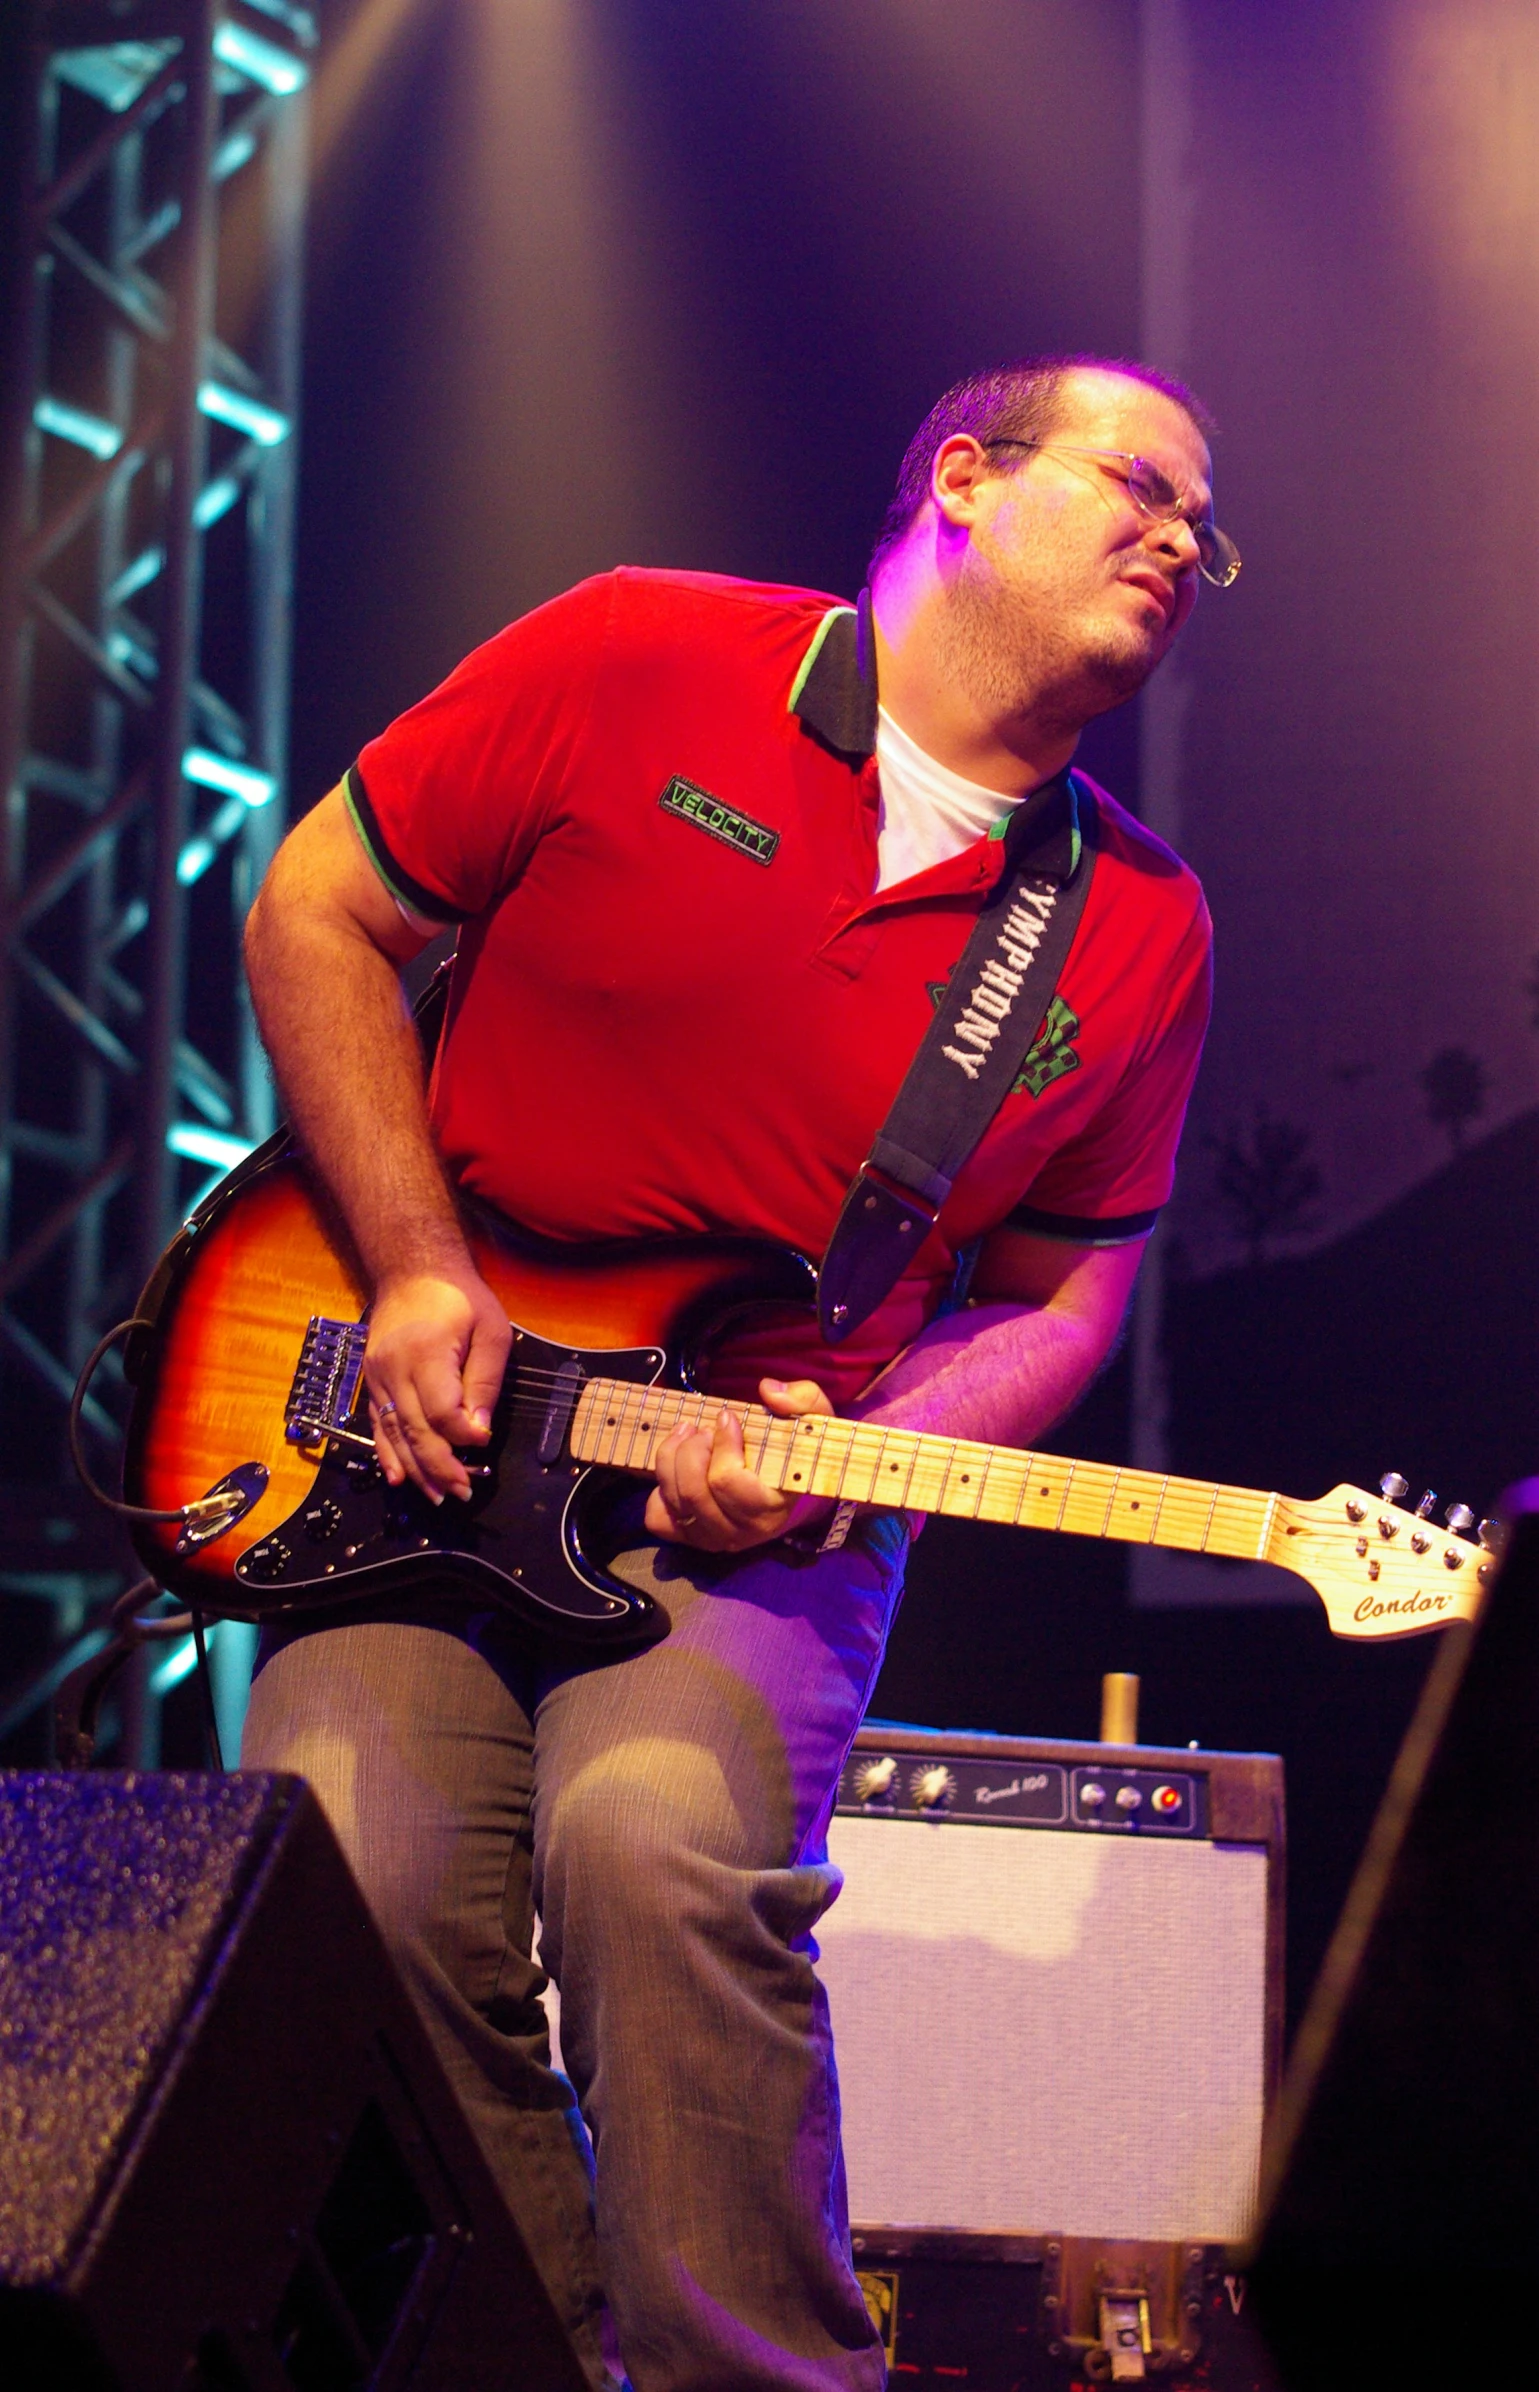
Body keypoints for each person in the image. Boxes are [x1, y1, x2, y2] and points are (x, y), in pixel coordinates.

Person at [240, 355, 1231, 2392]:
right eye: (1140, 486)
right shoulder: (633, 655)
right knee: (343, 1855)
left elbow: (1062, 1306)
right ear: (964, 475)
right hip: (414, 1438)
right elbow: (316, 907)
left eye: (1204, 529)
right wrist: (420, 1267)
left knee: (654, 1843)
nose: (1181, 542)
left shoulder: (1133, 925)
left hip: (767, 1497)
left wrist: (863, 1445)